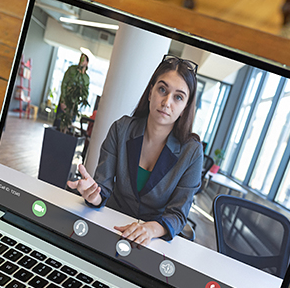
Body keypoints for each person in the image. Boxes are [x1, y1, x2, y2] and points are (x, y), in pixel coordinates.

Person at [67, 56, 203, 245]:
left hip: (152, 239)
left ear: (184, 108)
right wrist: (93, 194)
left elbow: (178, 215)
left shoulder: (192, 152)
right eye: (162, 89)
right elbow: (102, 189)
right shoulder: (121, 129)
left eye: (178, 97)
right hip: (110, 225)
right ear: (150, 92)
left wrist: (150, 228)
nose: (166, 102)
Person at [53, 53, 91, 131]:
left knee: (69, 125)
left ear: (87, 63)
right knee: (58, 123)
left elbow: (85, 92)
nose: (80, 62)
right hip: (65, 101)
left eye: (83, 60)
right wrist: (63, 101)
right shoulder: (72, 70)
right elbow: (64, 84)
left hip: (74, 105)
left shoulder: (86, 78)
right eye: (80, 59)